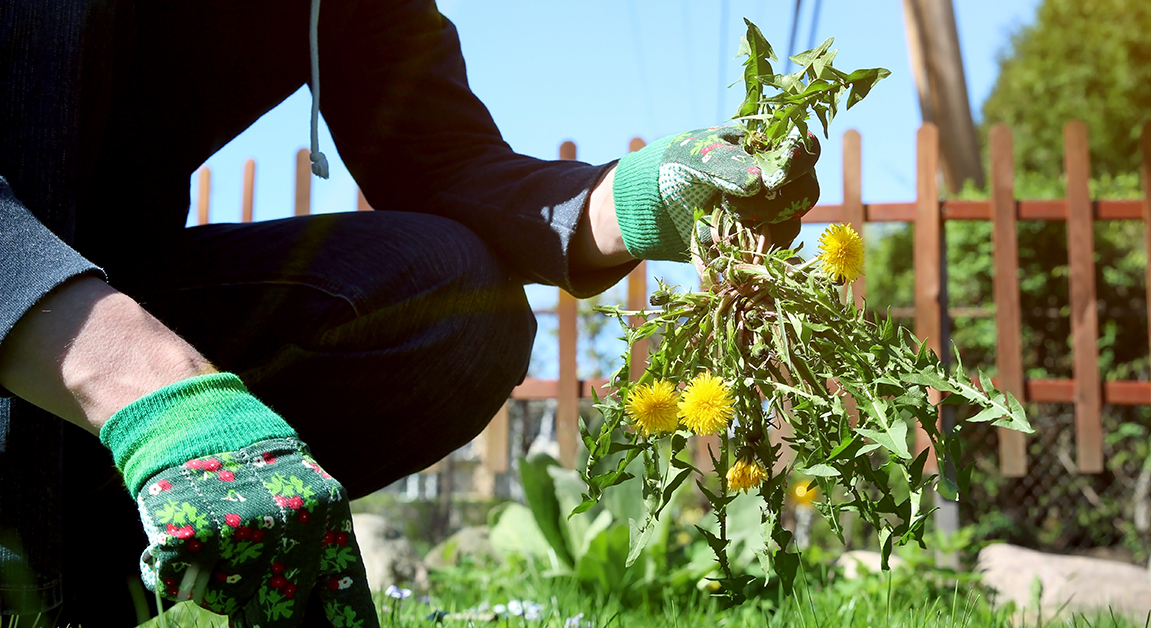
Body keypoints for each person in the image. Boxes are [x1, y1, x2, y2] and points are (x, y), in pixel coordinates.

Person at [0, 1, 820, 626]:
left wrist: (637, 199)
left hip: (100, 301)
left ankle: (70, 579)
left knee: (454, 300)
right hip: (56, 320)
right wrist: (162, 399)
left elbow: (441, 158)